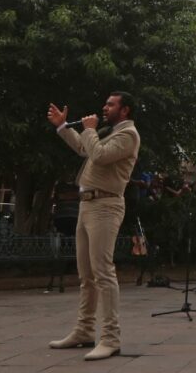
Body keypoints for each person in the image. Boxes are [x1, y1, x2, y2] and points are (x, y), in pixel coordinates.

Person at [46, 92, 140, 360]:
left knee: (103, 272)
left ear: (125, 110)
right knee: (86, 274)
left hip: (106, 206)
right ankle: (85, 330)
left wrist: (88, 129)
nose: (104, 107)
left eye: (111, 104)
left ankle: (111, 338)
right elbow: (85, 148)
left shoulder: (128, 135)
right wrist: (63, 127)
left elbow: (98, 155)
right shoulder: (108, 132)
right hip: (87, 204)